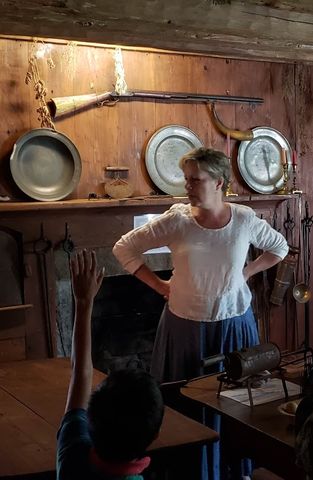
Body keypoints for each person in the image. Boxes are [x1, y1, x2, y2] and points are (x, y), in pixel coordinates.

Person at [112, 147, 289, 383]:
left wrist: (246, 272)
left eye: (195, 180)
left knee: (236, 393)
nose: (187, 186)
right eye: (186, 179)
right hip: (186, 325)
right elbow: (124, 248)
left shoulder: (243, 219)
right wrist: (160, 286)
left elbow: (279, 247)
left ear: (218, 182)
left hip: (234, 320)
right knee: (188, 393)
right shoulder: (177, 220)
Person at [57, 249, 165, 480]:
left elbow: (80, 374)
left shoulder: (72, 452)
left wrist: (83, 302)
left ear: (91, 416)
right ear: (156, 435)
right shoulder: (71, 445)